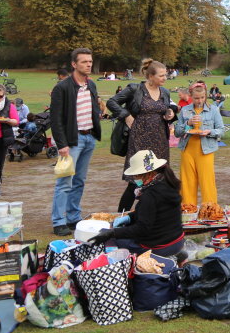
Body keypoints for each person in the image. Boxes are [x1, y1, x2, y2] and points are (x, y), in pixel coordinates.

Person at [107, 58, 177, 212]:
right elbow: (112, 102)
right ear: (150, 76)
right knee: (136, 181)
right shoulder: (135, 89)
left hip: (159, 141)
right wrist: (126, 115)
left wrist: (171, 112)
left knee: (159, 179)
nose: (165, 78)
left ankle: (153, 214)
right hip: (139, 139)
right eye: (161, 75)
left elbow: (170, 106)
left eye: (166, 75)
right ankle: (120, 217)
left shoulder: (164, 91)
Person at [89, 150, 184, 256]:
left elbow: (142, 229)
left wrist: (113, 233)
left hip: (159, 246)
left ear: (145, 174)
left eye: (136, 175)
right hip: (177, 240)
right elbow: (154, 212)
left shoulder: (150, 195)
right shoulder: (167, 182)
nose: (134, 178)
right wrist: (130, 217)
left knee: (110, 240)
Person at [50, 48, 102, 236]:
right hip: (72, 141)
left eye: (90, 61)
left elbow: (93, 108)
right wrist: (62, 144)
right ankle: (58, 221)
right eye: (84, 62)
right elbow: (55, 119)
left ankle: (73, 217)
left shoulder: (92, 85)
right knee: (65, 181)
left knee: (79, 180)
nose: (88, 64)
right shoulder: (62, 88)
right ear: (74, 64)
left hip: (89, 138)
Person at [174, 83, 224, 206]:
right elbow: (177, 133)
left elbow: (221, 130)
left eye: (202, 97)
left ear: (205, 96)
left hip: (205, 151)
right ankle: (188, 210)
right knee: (187, 182)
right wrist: (188, 123)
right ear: (191, 96)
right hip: (187, 151)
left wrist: (209, 132)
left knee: (207, 182)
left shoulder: (213, 110)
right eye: (196, 98)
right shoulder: (185, 110)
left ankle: (210, 210)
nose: (200, 100)